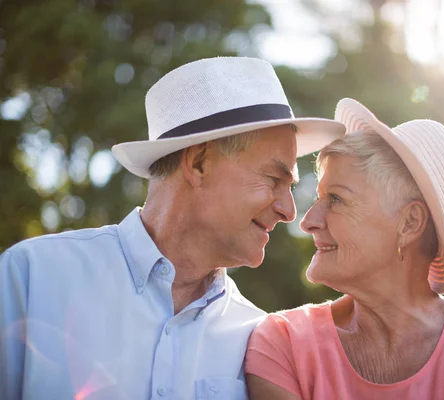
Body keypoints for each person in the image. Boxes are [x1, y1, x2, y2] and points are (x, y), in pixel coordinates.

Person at [0, 57, 345, 399]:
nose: (289, 211)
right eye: (273, 179)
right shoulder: (34, 276)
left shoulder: (258, 339)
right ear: (197, 163)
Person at [244, 98, 444, 400]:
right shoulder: (282, 343)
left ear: (409, 223)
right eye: (318, 198)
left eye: (336, 199)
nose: (308, 221)